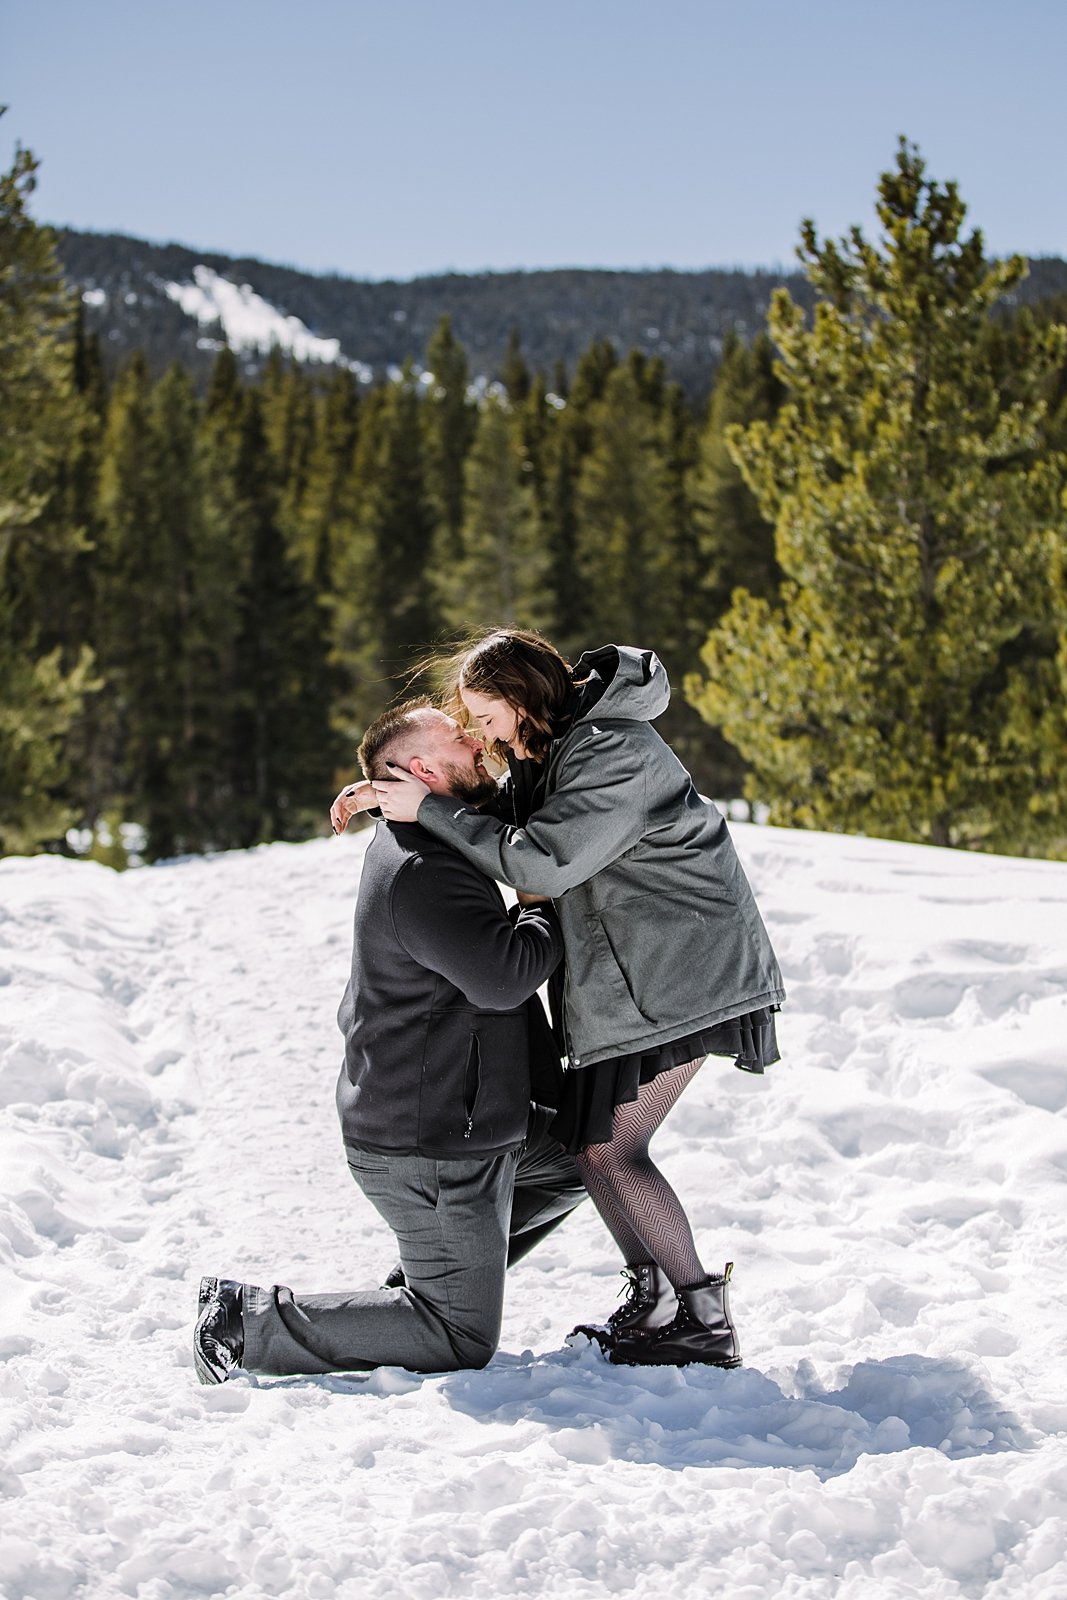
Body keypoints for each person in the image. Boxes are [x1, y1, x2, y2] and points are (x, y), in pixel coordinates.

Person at [334, 631, 785, 1370]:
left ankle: (697, 1312)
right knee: (594, 1147)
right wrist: (394, 795)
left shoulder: (613, 752)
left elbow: (542, 858)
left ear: (520, 697)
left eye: (484, 715)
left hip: (687, 975)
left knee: (610, 1147)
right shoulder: (558, 749)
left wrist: (430, 809)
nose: (480, 734)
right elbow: (502, 814)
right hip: (638, 980)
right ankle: (660, 1302)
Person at [194, 699, 585, 1385]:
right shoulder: (419, 871)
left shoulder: (433, 835)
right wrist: (539, 902)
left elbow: (497, 820)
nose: (475, 741)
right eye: (458, 739)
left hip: (462, 1120)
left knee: (580, 1162)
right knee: (458, 1336)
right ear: (423, 770)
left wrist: (382, 793)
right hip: (431, 1145)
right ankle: (242, 1322)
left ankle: (436, 1272)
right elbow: (504, 978)